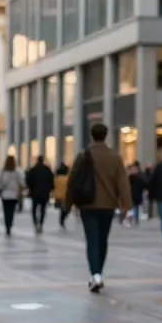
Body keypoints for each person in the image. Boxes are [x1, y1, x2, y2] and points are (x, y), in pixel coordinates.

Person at [64, 124, 133, 292]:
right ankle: (98, 273)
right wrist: (127, 206)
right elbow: (123, 184)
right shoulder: (115, 157)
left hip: (88, 205)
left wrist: (67, 204)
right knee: (103, 240)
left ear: (92, 135)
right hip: (108, 205)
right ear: (106, 136)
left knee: (92, 240)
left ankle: (95, 274)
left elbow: (72, 181)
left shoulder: (83, 155)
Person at [0, 155, 25, 237]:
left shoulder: (2, 172)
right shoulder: (18, 172)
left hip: (5, 195)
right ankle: (10, 225)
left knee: (6, 211)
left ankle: (7, 226)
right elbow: (22, 182)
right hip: (14, 195)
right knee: (11, 211)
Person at [25, 156, 55, 234]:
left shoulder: (33, 170)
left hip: (34, 193)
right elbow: (51, 181)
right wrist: (50, 189)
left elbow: (28, 181)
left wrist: (30, 188)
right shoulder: (47, 170)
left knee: (34, 208)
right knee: (43, 209)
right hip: (44, 193)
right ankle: (41, 223)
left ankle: (35, 223)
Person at [126, 162, 146, 226]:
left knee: (135, 208)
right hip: (131, 195)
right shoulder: (129, 178)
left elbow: (143, 185)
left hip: (137, 195)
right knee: (132, 208)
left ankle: (135, 219)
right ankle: (131, 219)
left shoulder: (139, 178)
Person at [53, 162, 70, 229]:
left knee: (62, 209)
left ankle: (61, 221)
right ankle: (62, 220)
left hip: (58, 196)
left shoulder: (56, 179)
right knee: (65, 210)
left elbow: (53, 187)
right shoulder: (67, 179)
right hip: (65, 196)